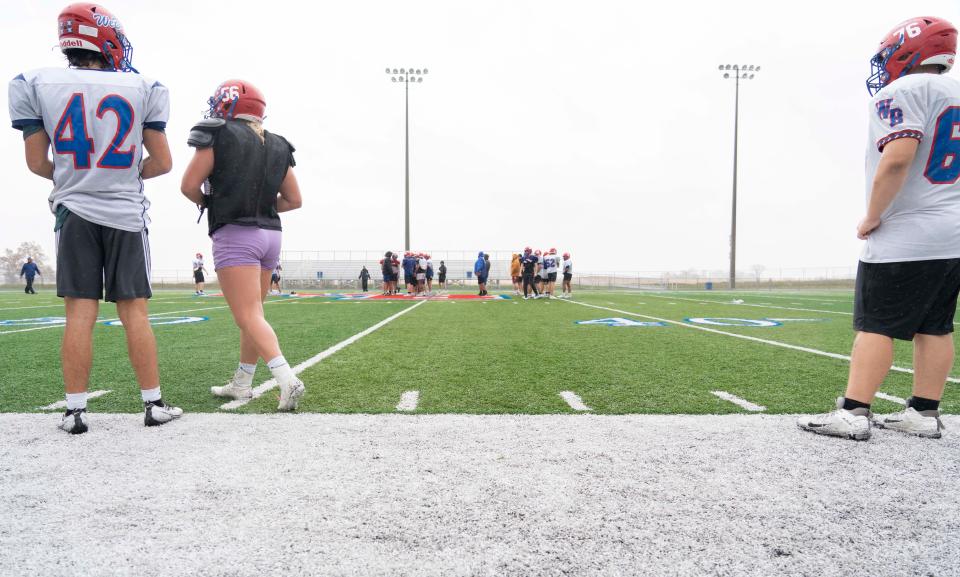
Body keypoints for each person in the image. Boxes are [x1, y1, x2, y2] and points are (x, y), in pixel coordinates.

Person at [8, 3, 181, 434]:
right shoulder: (144, 86)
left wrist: (76, 177)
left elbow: (36, 162)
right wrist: (120, 174)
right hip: (125, 211)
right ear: (104, 39)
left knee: (78, 314)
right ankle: (153, 404)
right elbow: (161, 162)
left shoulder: (34, 82)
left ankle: (74, 413)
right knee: (134, 312)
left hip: (74, 211)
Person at [798, 17, 958, 440]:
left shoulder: (903, 90)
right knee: (936, 325)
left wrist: (872, 214)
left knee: (876, 324)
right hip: (953, 232)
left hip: (908, 230)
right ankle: (924, 413)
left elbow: (899, 157)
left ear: (909, 50)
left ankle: (853, 412)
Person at [181, 78, 305, 411]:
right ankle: (242, 382)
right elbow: (294, 200)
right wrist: (258, 205)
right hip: (270, 235)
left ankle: (286, 378)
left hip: (236, 233)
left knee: (248, 315)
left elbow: (189, 185)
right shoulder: (279, 144)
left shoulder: (217, 134)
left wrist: (212, 203)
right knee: (254, 314)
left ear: (225, 105)